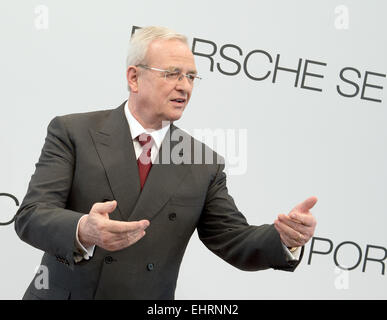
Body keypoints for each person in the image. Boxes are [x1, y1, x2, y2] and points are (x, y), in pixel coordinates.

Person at [15, 26, 317, 300]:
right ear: (134, 77)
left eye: (191, 77)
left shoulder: (202, 163)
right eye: (172, 73)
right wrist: (83, 230)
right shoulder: (74, 132)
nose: (185, 87)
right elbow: (32, 216)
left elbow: (233, 238)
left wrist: (284, 240)